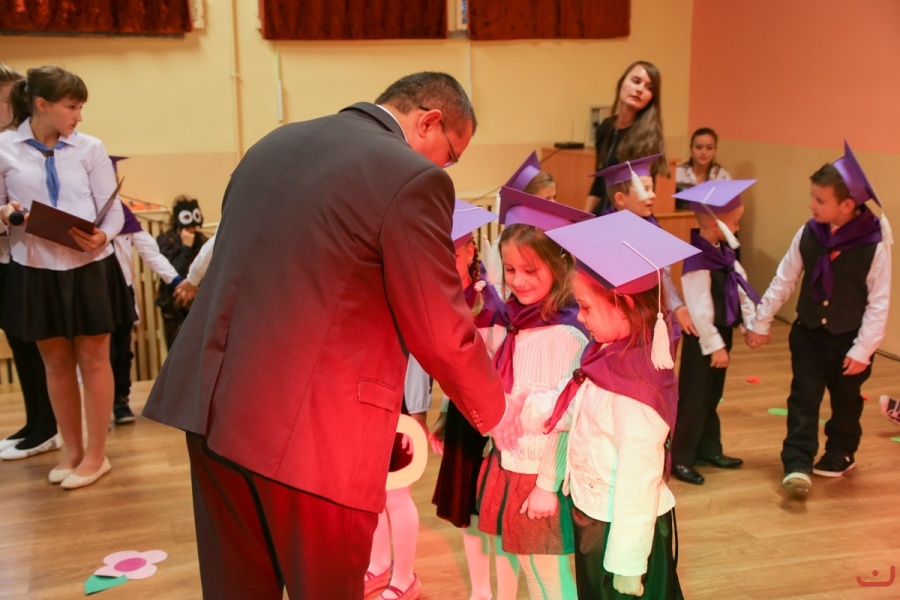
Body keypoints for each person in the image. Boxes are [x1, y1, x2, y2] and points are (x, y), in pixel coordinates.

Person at [141, 72, 520, 599]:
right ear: (429, 121)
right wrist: (497, 413)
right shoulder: (412, 178)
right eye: (451, 154)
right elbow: (439, 328)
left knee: (235, 586)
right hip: (315, 433)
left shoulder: (272, 145)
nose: (446, 168)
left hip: (213, 405)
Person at [540, 210, 696, 599]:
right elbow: (579, 407)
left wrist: (628, 564)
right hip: (596, 517)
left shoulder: (636, 390)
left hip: (624, 533)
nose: (580, 317)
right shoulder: (608, 354)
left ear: (622, 305)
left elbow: (637, 482)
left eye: (586, 307)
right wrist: (533, 409)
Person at [0, 65, 132, 489]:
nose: (79, 116)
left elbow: (113, 212)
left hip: (89, 267)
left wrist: (103, 236)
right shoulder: (4, 147)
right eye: (72, 107)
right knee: (56, 364)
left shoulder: (90, 148)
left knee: (94, 360)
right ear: (42, 105)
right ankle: (71, 451)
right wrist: (6, 214)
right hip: (35, 268)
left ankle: (96, 455)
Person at [746, 142, 891, 498]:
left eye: (820, 200)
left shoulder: (874, 244)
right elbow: (784, 279)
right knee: (803, 397)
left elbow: (879, 302)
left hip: (849, 339)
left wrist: (863, 349)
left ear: (847, 205)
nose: (812, 205)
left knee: (846, 401)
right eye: (812, 197)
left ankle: (841, 452)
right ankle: (797, 461)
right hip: (808, 334)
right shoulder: (809, 233)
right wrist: (762, 321)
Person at [477, 187, 590, 600]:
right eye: (510, 269)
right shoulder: (518, 323)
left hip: (539, 471)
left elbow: (565, 417)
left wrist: (547, 482)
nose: (518, 280)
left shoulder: (566, 335)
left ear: (559, 267)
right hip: (512, 461)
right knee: (528, 565)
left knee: (550, 574)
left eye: (530, 270)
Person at [430, 200, 504, 600]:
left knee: (492, 511)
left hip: (490, 420)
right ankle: (480, 591)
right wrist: (445, 416)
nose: (445, 262)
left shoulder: (487, 306)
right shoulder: (448, 298)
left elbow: (494, 372)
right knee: (467, 513)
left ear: (471, 250)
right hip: (462, 415)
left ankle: (500, 591)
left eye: (454, 253)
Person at [669, 180, 760, 485]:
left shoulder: (724, 253)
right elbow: (699, 309)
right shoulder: (698, 260)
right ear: (715, 224)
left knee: (712, 396)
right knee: (695, 398)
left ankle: (708, 449)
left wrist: (750, 325)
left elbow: (741, 290)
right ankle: (681, 457)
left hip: (721, 333)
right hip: (703, 339)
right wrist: (715, 345)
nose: (738, 228)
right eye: (734, 222)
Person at [0, 62, 58, 461]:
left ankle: (46, 426)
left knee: (33, 342)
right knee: (18, 340)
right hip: (7, 255)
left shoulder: (22, 146)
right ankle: (33, 420)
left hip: (25, 255)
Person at [593, 155, 697, 342]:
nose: (653, 195)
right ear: (620, 199)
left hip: (649, 315)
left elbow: (662, 274)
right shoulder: (603, 233)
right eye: (645, 189)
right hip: (617, 317)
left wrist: (677, 306)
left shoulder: (651, 228)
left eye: (652, 188)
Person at [109, 201, 185, 424]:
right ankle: (97, 406)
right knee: (96, 354)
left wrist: (175, 279)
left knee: (121, 350)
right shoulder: (78, 207)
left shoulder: (120, 212)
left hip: (121, 291)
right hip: (89, 291)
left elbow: (150, 252)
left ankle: (120, 401)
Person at [365, 356, 431, 600]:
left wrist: (418, 413)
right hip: (371, 399)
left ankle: (405, 578)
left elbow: (417, 355)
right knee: (373, 491)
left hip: (399, 402)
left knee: (397, 495)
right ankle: (379, 564)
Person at [585, 61, 668, 216]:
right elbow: (599, 183)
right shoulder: (605, 128)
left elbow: (644, 196)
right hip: (602, 215)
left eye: (649, 88)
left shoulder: (649, 137)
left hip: (630, 217)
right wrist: (584, 218)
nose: (640, 89)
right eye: (636, 81)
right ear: (621, 82)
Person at [155, 195, 208, 349]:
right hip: (173, 306)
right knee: (176, 349)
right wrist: (185, 247)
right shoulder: (166, 241)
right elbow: (170, 272)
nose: (192, 226)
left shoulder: (202, 241)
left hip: (198, 305)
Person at [674, 127, 731, 208]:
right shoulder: (677, 174)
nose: (704, 152)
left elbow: (728, 208)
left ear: (715, 150)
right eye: (698, 147)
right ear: (691, 149)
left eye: (709, 148)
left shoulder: (722, 177)